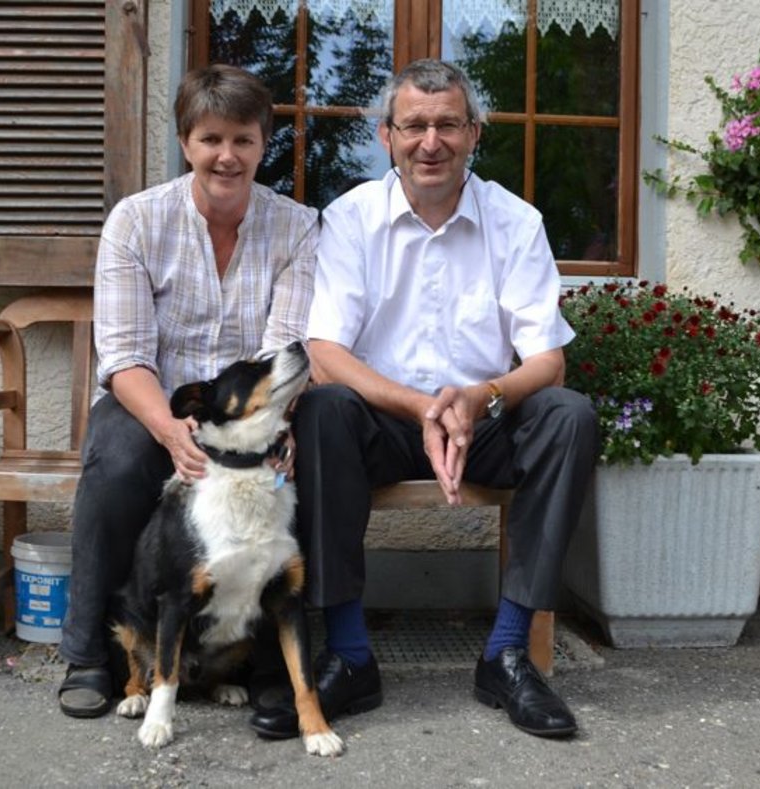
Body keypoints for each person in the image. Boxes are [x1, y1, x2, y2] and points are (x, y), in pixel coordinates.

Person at [248, 59, 597, 740]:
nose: (430, 142)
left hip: (481, 422)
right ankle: (349, 655)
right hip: (382, 420)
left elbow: (547, 361)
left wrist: (480, 396)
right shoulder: (351, 218)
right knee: (323, 408)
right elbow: (325, 351)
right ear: (387, 135)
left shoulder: (516, 221)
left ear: (474, 134)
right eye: (414, 126)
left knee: (569, 415)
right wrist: (418, 406)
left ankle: (507, 653)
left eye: (447, 125)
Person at [56, 64, 319, 719]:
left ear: (264, 144)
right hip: (156, 401)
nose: (227, 156)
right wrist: (173, 432)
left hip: (256, 413)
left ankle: (269, 665)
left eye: (243, 139)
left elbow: (285, 349)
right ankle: (88, 653)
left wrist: (276, 430)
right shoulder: (137, 221)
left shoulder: (297, 228)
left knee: (315, 451)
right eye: (211, 139)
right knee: (118, 458)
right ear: (185, 142)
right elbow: (124, 356)